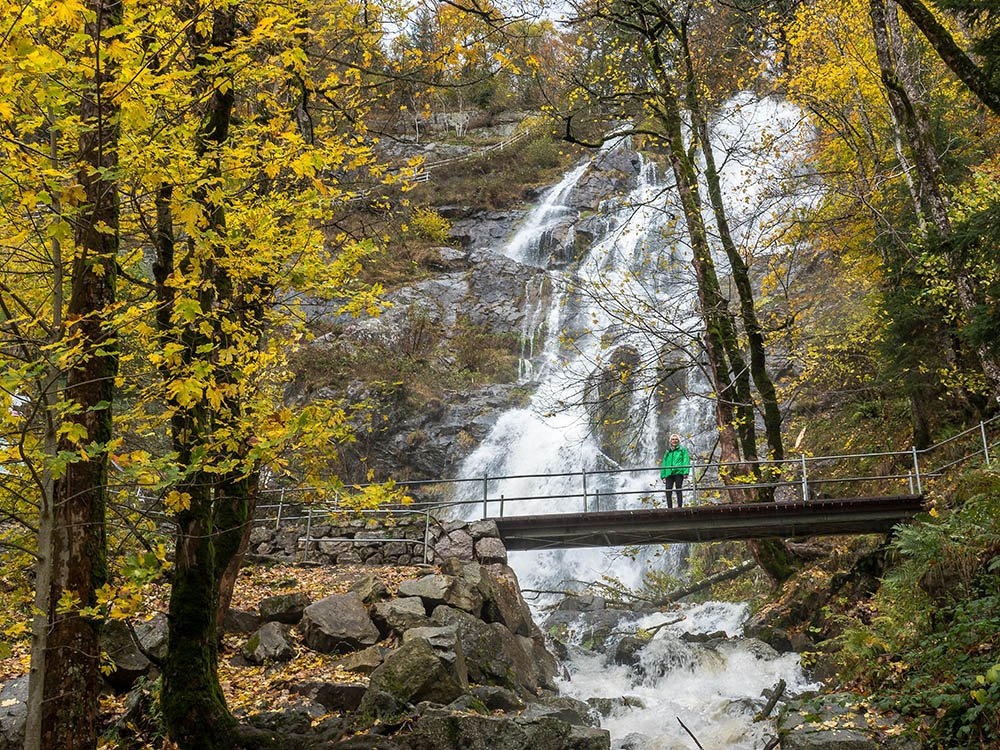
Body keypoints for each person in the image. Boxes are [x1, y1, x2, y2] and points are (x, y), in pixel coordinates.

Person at [660, 433, 690, 508]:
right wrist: (663, 476)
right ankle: (669, 508)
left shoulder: (682, 450)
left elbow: (686, 460)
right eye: (673, 439)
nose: (674, 441)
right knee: (668, 491)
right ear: (670, 441)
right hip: (669, 473)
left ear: (678, 441)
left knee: (678, 489)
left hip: (678, 472)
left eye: (676, 439)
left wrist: (685, 472)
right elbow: (664, 463)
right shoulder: (668, 451)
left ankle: (680, 507)